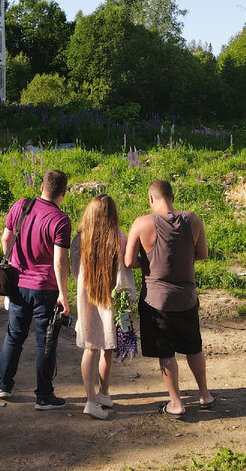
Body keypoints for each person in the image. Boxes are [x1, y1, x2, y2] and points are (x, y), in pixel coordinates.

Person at [124, 179, 214, 419]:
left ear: (151, 198)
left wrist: (150, 261)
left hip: (157, 302)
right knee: (193, 347)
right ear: (172, 197)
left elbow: (129, 261)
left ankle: (176, 403)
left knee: (167, 353)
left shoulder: (142, 224)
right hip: (187, 298)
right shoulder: (192, 219)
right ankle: (204, 394)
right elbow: (202, 254)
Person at [0, 169, 72, 410]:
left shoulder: (21, 206)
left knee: (14, 336)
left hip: (18, 283)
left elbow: (5, 240)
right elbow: (59, 261)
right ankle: (43, 396)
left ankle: (4, 386)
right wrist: (63, 293)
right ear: (63, 193)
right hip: (45, 288)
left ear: (41, 187)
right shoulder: (60, 220)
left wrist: (12, 264)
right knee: (45, 343)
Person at [71, 194, 136, 421]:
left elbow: (75, 271)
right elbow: (126, 271)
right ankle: (102, 394)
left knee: (91, 347)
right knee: (107, 346)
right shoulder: (119, 238)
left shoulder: (79, 239)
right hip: (109, 301)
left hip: (87, 299)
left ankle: (93, 398)